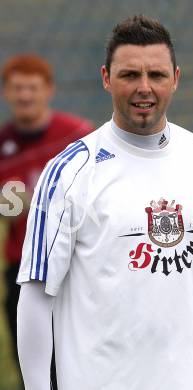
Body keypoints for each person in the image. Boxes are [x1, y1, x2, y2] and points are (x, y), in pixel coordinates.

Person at [16, 16, 193, 390]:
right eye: (130, 75)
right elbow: (34, 295)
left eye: (157, 75)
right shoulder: (69, 173)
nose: (144, 88)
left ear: (175, 78)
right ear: (106, 78)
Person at [0, 54, 94, 385]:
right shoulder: (3, 144)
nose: (25, 95)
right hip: (24, 271)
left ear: (48, 91)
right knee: (36, 368)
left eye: (32, 88)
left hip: (77, 268)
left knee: (82, 365)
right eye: (17, 88)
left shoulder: (79, 135)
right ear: (6, 93)